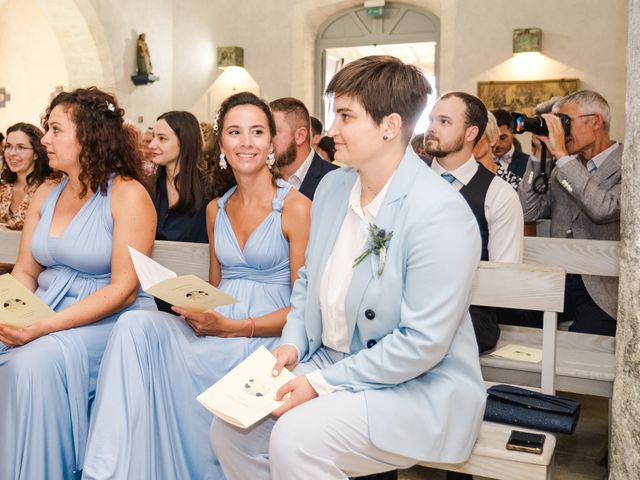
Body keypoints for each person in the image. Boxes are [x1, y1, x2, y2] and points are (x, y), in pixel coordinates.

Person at [211, 56, 485, 480]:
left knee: (295, 437)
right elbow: (307, 282)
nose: (332, 130)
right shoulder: (334, 188)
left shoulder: (441, 213)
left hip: (414, 383)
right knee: (231, 428)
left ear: (389, 126)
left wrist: (320, 384)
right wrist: (292, 345)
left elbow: (422, 344)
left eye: (345, 116)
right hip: (326, 359)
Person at [82, 92, 311, 480]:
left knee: (213, 357)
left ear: (272, 143)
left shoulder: (296, 207)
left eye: (257, 132)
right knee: (135, 326)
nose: (246, 142)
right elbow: (216, 288)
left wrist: (236, 327)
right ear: (221, 143)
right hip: (221, 325)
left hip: (270, 335)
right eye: (235, 132)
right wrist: (195, 308)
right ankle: (110, 469)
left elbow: (305, 308)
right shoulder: (215, 209)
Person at [0, 87, 157, 480]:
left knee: (33, 364)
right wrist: (8, 309)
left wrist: (42, 327)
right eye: (46, 129)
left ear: (88, 136)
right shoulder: (47, 193)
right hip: (45, 310)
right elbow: (25, 272)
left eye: (55, 130)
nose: (45, 140)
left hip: (105, 322)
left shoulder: (127, 194)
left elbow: (123, 289)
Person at [424, 93, 523, 352]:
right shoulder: (408, 179)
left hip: (470, 314)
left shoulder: (499, 194)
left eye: (444, 121)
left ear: (471, 133)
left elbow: (504, 277)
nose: (432, 128)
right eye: (431, 119)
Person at [519, 89, 621, 336]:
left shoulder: (628, 164)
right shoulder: (561, 168)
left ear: (595, 121)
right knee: (513, 315)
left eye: (565, 122)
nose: (561, 132)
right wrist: (538, 156)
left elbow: (603, 209)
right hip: (558, 279)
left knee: (585, 341)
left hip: (601, 288)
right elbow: (527, 211)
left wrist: (562, 157)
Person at [148, 111, 209, 243]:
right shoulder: (149, 186)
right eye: (153, 137)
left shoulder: (208, 190)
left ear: (184, 142)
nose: (151, 145)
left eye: (162, 138)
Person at [270, 97, 337, 200]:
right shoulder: (263, 177)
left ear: (300, 136)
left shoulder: (335, 180)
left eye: (273, 132)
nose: (266, 140)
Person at [0, 123, 54, 230]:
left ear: (36, 154)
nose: (12, 153)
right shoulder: (3, 188)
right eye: (8, 146)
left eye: (21, 147)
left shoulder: (49, 189)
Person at [474, 112, 521, 190]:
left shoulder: (512, 183)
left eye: (476, 134)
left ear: (493, 138)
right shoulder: (455, 179)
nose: (470, 141)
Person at [492, 108, 531, 179]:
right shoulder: (479, 163)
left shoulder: (528, 163)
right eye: (492, 138)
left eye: (502, 137)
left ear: (513, 132)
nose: (496, 144)